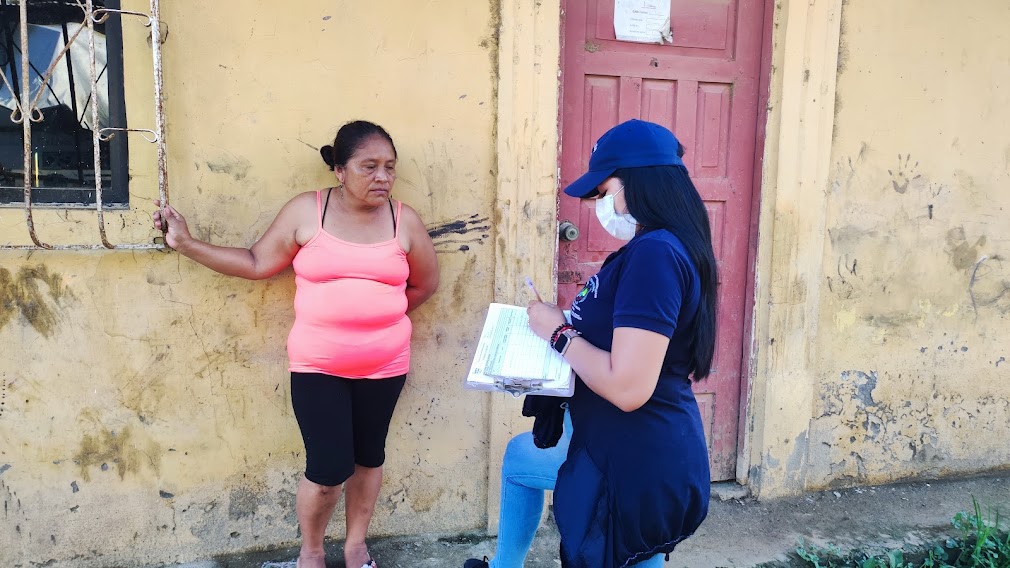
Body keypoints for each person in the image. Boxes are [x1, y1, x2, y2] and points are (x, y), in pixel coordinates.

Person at [152, 120, 440, 568]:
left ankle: (356, 548)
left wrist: (379, 320)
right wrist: (186, 244)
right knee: (327, 472)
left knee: (369, 459)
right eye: (369, 167)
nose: (382, 177)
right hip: (318, 367)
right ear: (339, 171)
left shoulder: (405, 220)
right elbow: (256, 262)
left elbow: (424, 284)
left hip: (385, 367)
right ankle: (311, 553)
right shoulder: (308, 212)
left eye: (389, 167)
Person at [470, 119, 714, 568]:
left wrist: (558, 334)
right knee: (522, 460)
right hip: (629, 446)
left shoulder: (656, 255)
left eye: (604, 192)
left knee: (621, 544)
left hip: (634, 461)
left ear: (639, 182)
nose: (601, 204)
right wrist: (562, 324)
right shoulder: (657, 247)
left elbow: (628, 387)